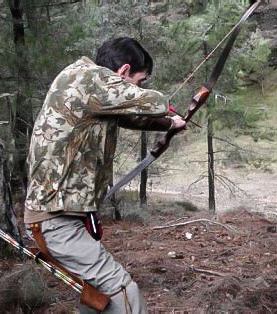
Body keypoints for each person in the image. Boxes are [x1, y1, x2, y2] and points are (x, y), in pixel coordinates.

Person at [24, 37, 186, 313]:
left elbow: (130, 117)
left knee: (100, 295)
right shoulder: (90, 78)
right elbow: (153, 103)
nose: (139, 87)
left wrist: (170, 124)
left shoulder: (86, 86)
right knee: (122, 291)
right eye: (139, 80)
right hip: (55, 222)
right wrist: (167, 108)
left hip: (59, 217)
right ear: (122, 72)